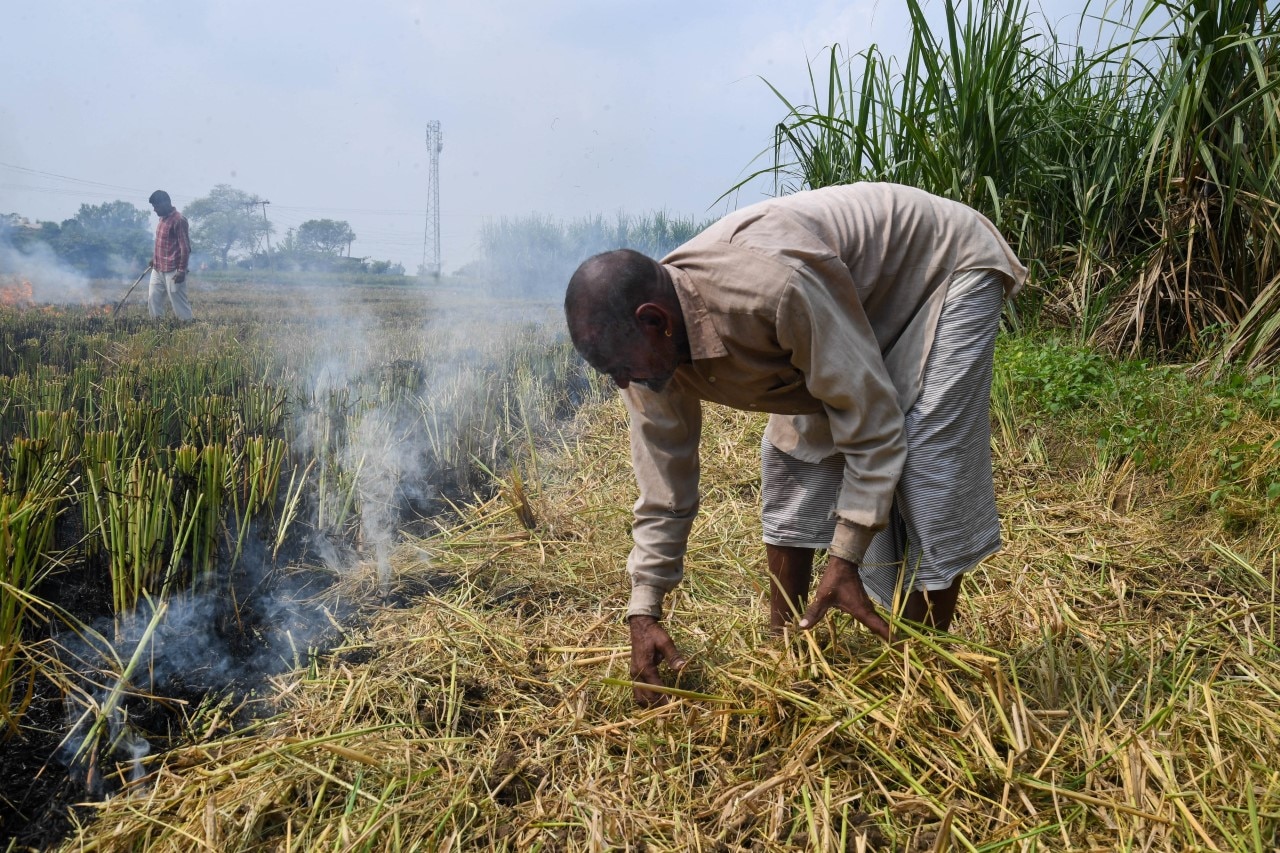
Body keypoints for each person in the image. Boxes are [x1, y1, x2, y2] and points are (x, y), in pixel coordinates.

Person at [563, 182, 1027, 706]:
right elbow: (663, 488)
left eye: (620, 369)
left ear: (656, 321)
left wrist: (846, 554)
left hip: (938, 270)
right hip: (842, 299)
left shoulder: (769, 292)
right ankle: (786, 648)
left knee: (926, 465)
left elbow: (868, 418)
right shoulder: (648, 354)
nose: (621, 384)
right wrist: (644, 607)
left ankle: (918, 675)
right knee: (791, 453)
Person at [147, 190, 194, 322]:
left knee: (178, 304)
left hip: (173, 271)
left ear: (165, 203)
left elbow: (185, 248)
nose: (154, 210)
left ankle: (188, 328)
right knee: (153, 299)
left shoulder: (179, 220)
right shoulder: (162, 219)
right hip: (158, 268)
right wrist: (154, 258)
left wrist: (181, 271)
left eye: (156, 206)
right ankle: (157, 327)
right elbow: (162, 242)